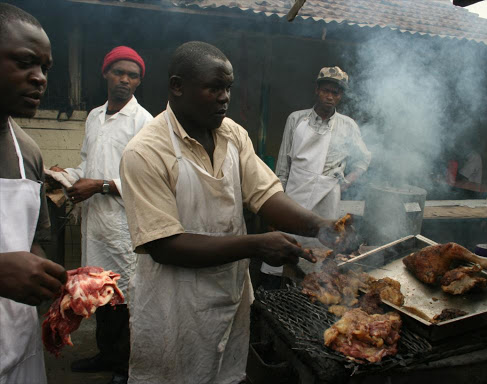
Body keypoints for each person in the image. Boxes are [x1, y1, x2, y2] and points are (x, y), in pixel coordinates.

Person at [119, 41, 342, 384]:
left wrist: (323, 226)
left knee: (226, 375)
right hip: (175, 304)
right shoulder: (146, 152)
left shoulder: (233, 134)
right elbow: (164, 245)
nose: (225, 97)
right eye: (214, 88)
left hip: (230, 294)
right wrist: (255, 245)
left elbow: (265, 194)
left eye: (228, 88)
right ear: (177, 86)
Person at [49, 46, 152, 384]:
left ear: (139, 81)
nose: (125, 79)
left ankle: (124, 365)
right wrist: (66, 174)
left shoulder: (144, 121)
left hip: (123, 226)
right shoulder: (94, 116)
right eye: (119, 72)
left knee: (123, 298)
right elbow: (87, 165)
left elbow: (148, 179)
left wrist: (102, 186)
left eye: (132, 75)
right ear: (106, 73)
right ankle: (105, 354)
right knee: (99, 295)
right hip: (95, 223)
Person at [0, 4, 68, 383]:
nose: (39, 78)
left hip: (18, 347)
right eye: (25, 63)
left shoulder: (27, 151)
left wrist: (57, 286)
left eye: (44, 68)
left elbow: (33, 241)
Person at [260, 66, 371, 287]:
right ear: (317, 90)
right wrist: (274, 208)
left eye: (336, 92)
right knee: (285, 245)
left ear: (341, 96)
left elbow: (363, 159)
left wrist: (346, 182)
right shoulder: (296, 119)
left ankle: (310, 292)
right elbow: (283, 166)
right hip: (294, 193)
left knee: (319, 251)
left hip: (327, 197)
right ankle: (274, 291)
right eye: (326, 90)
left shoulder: (348, 126)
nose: (330, 96)